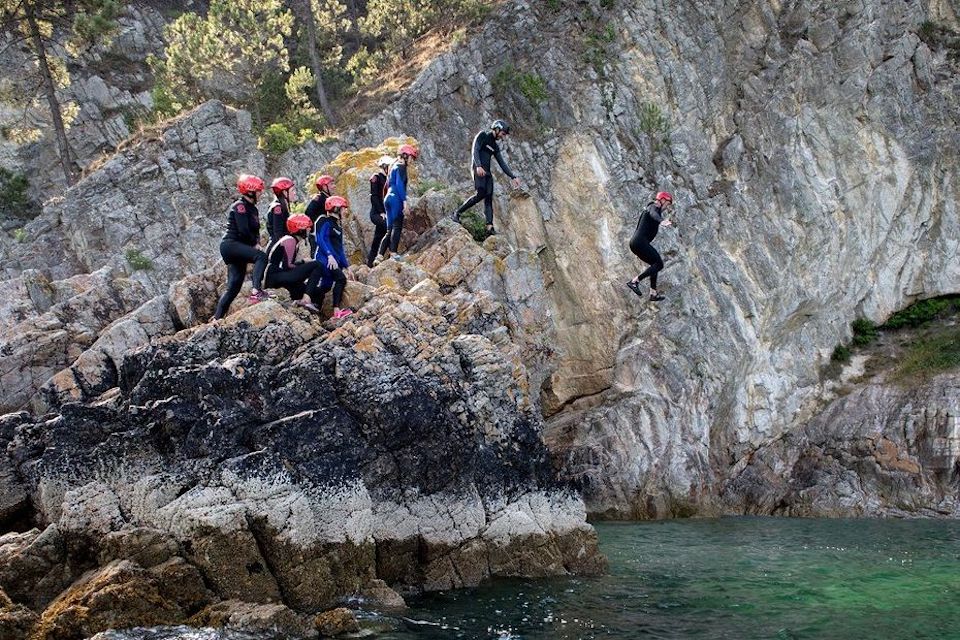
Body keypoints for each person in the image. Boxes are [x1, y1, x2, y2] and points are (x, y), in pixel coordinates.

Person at [213, 174, 270, 320]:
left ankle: (217, 319)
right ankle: (256, 291)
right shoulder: (240, 206)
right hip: (230, 245)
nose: (261, 193)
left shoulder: (253, 209)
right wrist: (254, 244)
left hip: (238, 247)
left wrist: (255, 240)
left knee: (233, 287)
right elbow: (243, 230)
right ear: (250, 191)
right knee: (261, 256)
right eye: (258, 190)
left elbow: (255, 231)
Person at [451, 119, 521, 237]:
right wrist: (478, 166)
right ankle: (457, 212)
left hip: (487, 173)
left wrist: (513, 177)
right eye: (503, 134)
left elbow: (502, 163)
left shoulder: (494, 146)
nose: (503, 137)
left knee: (489, 196)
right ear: (497, 129)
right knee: (481, 193)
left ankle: (489, 227)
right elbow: (475, 151)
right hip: (477, 169)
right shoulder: (482, 135)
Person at [264, 213, 323, 313]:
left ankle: (308, 314)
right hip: (276, 277)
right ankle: (306, 300)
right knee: (317, 265)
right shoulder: (289, 240)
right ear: (300, 229)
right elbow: (287, 266)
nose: (309, 230)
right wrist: (304, 262)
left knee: (318, 292)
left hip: (282, 278)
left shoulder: (292, 240)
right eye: (307, 228)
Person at [627, 191, 674, 302]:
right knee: (659, 264)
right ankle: (634, 281)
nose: (667, 207)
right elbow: (653, 213)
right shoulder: (653, 206)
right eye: (667, 204)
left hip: (637, 243)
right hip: (639, 242)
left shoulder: (655, 209)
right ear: (662, 200)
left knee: (655, 265)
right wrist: (661, 221)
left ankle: (653, 293)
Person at [314, 195, 354, 320]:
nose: (345, 211)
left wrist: (347, 267)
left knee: (324, 288)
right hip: (325, 260)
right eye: (343, 208)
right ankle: (337, 311)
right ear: (336, 209)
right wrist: (329, 255)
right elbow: (320, 239)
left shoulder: (338, 227)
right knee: (341, 279)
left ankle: (315, 311)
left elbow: (340, 249)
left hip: (333, 262)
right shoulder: (324, 220)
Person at [380, 144, 418, 261]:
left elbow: (387, 186)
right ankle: (393, 254)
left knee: (389, 230)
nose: (412, 161)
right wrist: (405, 201)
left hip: (388, 199)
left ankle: (379, 256)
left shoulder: (393, 166)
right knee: (397, 227)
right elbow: (400, 185)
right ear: (405, 156)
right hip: (396, 198)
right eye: (411, 157)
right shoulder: (401, 167)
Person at [367, 155, 392, 267]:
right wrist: (382, 212)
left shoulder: (389, 178)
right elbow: (374, 196)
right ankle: (390, 254)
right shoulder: (376, 177)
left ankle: (370, 264)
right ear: (384, 166)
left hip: (385, 213)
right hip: (377, 213)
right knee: (389, 229)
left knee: (378, 238)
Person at [305, 174, 335, 257]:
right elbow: (308, 213)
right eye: (331, 184)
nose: (334, 186)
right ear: (324, 187)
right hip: (317, 235)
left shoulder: (329, 199)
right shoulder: (319, 198)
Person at [266, 177, 296, 245]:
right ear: (285, 192)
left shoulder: (283, 206)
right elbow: (278, 234)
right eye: (292, 190)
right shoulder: (278, 208)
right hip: (278, 247)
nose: (294, 193)